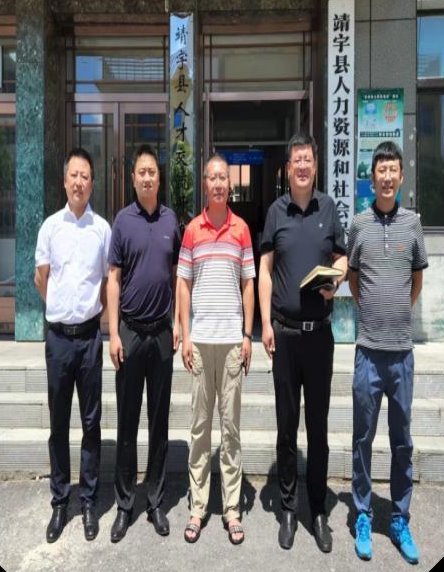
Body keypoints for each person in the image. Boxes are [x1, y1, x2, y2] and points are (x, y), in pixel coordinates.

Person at [258, 133, 347, 552]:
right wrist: (264, 323)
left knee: (319, 427)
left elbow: (342, 257)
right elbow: (265, 269)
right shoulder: (276, 212)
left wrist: (337, 279)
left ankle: (319, 510)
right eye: (296, 160)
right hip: (286, 336)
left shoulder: (328, 209)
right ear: (288, 168)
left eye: (308, 159)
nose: (303, 166)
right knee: (286, 426)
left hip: (320, 337)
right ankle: (289, 509)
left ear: (315, 164)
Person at [348, 141, 428, 564]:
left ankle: (399, 517)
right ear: (372, 177)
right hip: (367, 352)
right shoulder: (358, 225)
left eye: (393, 169)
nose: (387, 176)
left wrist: (398, 312)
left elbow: (417, 281)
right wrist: (373, 313)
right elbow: (353, 279)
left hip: (401, 355)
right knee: (362, 438)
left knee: (402, 441)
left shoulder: (413, 224)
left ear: (401, 176)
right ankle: (362, 514)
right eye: (380, 170)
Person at [34, 148, 111, 543]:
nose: (79, 182)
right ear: (65, 181)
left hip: (90, 340)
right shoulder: (50, 227)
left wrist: (87, 314)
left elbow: (107, 281)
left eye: (85, 176)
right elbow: (41, 277)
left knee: (91, 422)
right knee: (59, 423)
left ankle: (88, 500)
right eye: (74, 175)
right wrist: (61, 310)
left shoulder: (102, 229)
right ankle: (60, 500)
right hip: (59, 340)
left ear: (92, 183)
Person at [178, 154, 255, 545]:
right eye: (213, 178)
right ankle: (198, 506)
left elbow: (248, 283)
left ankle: (232, 509)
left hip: (231, 344)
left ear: (230, 184)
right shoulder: (193, 230)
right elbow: (183, 284)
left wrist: (247, 334)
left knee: (231, 429)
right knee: (199, 429)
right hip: (201, 342)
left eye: (224, 177)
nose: (219, 183)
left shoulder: (242, 229)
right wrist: (184, 333)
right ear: (205, 184)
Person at [107, 144, 181, 543]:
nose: (148, 177)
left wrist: (180, 323)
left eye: (153, 171)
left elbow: (178, 276)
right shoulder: (122, 221)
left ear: (159, 176)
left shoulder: (171, 220)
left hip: (162, 334)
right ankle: (124, 504)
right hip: (131, 334)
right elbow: (113, 279)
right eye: (142, 172)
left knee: (159, 422)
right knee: (127, 422)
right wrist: (113, 332)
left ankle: (155, 500)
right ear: (133, 178)